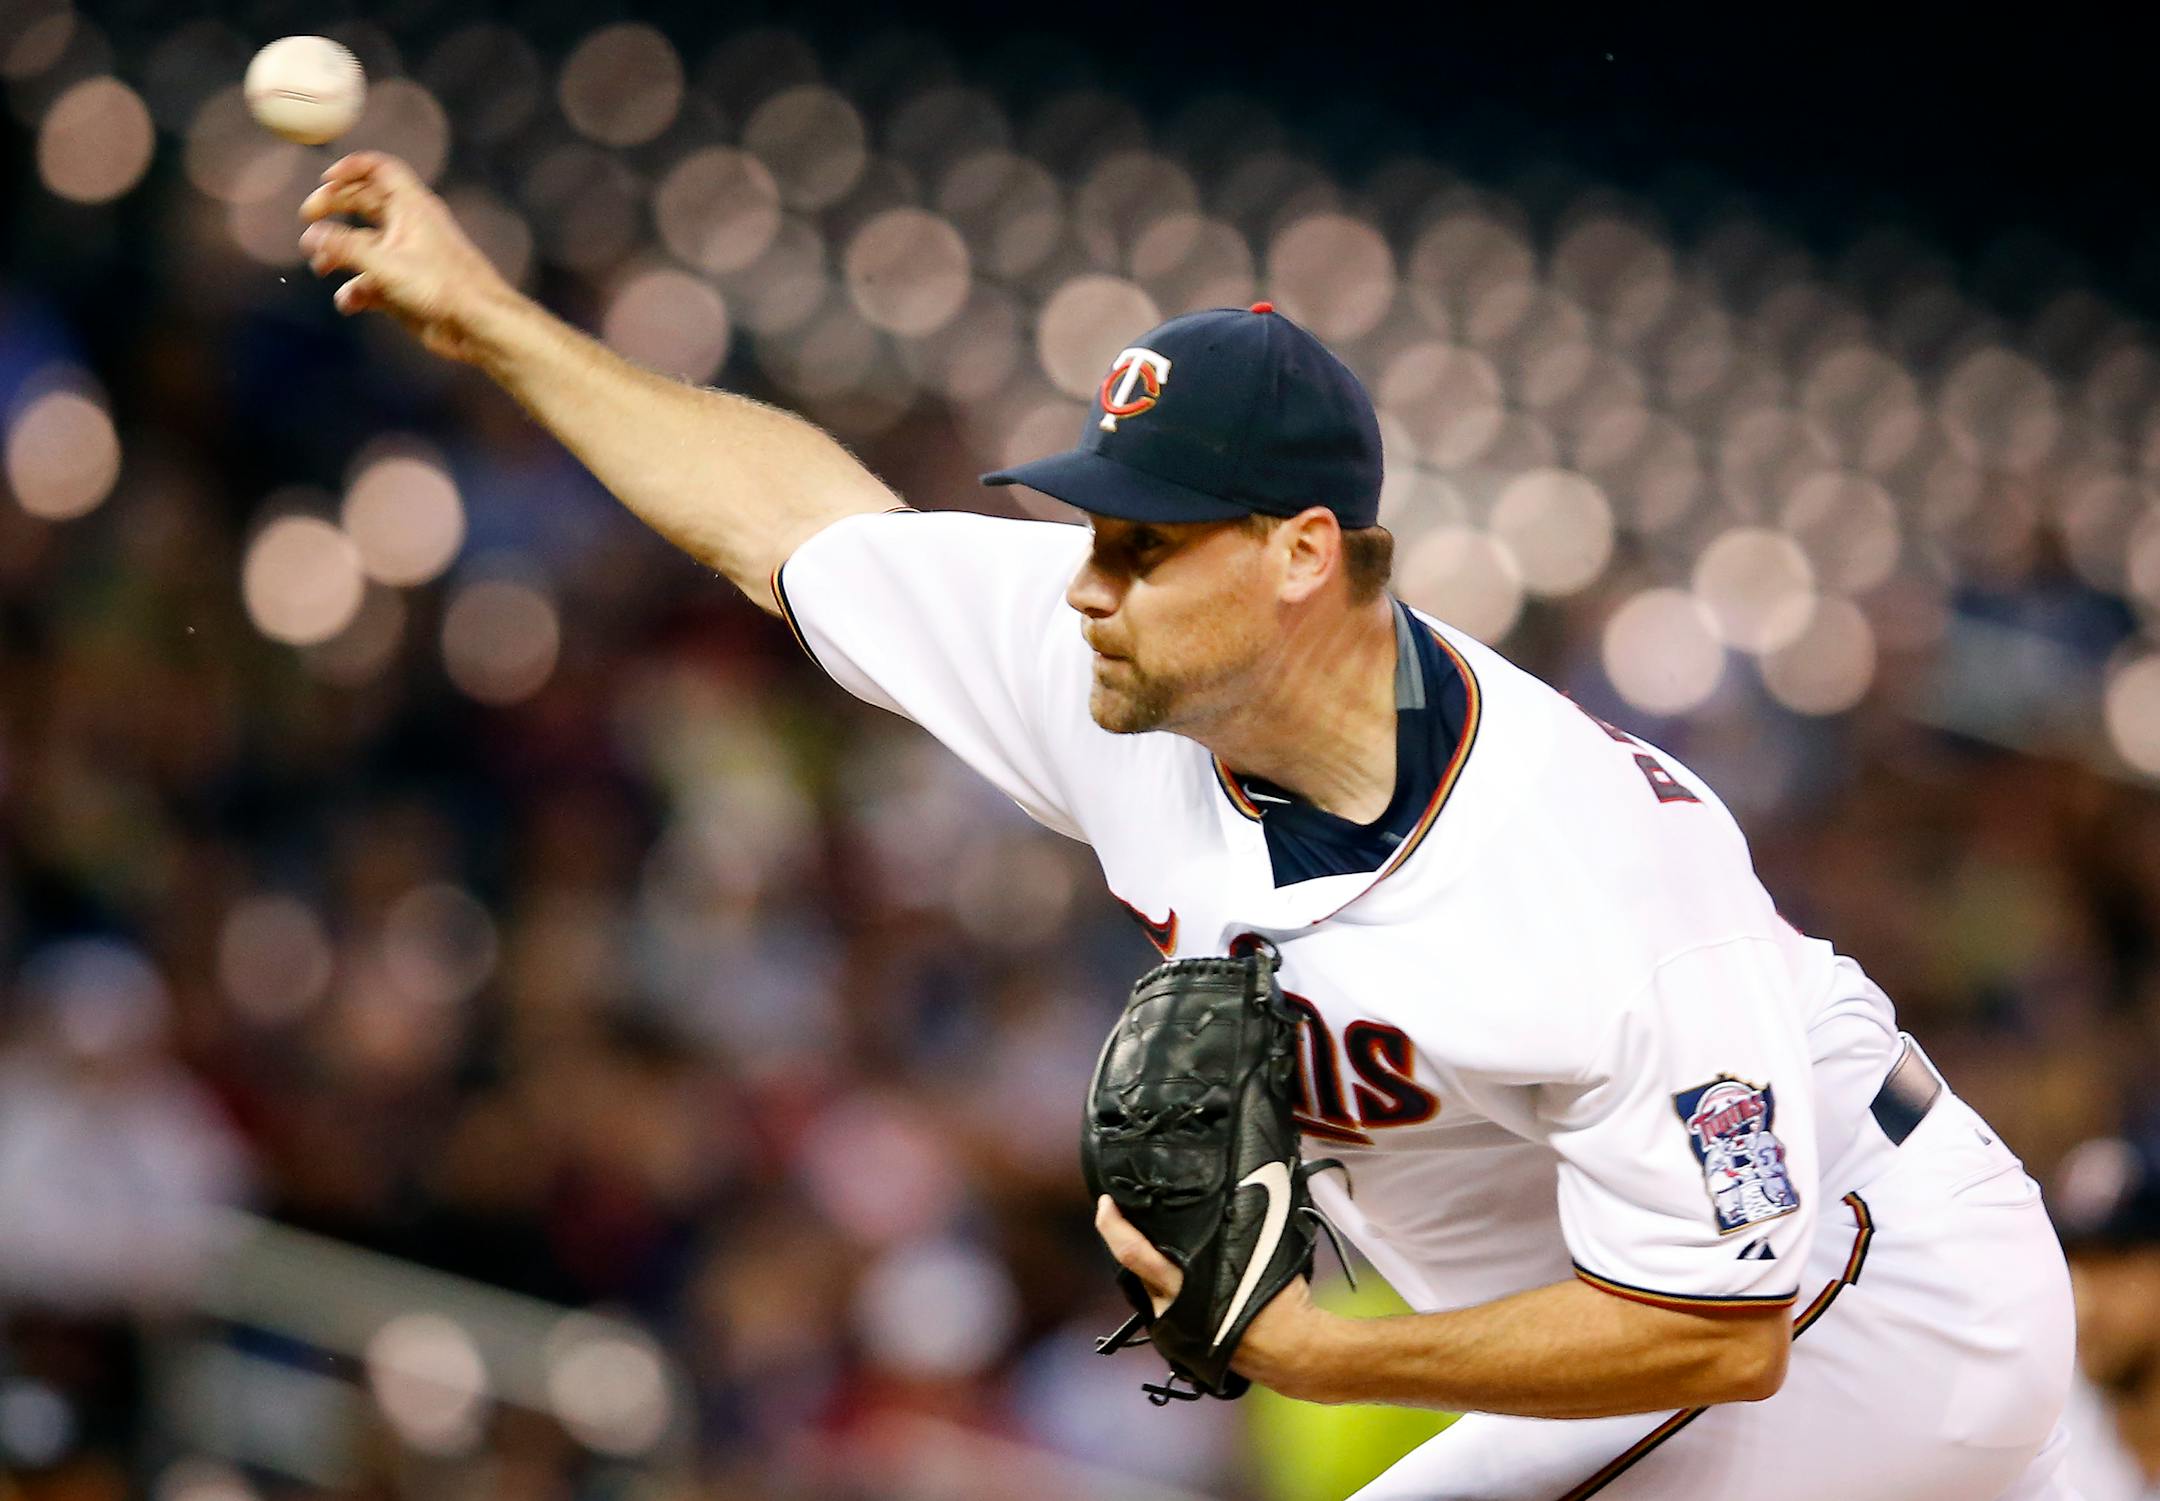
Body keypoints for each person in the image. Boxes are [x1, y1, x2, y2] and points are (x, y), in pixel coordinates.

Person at [299, 152, 2078, 1499]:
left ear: (1301, 553)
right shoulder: (1127, 670)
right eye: (1094, 530)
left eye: (1144, 543)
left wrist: (1318, 1352)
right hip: (1679, 1302)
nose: (1089, 582)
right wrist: (494, 321)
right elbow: (796, 526)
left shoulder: (1596, 875)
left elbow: (1721, 1326)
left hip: (1868, 1294)